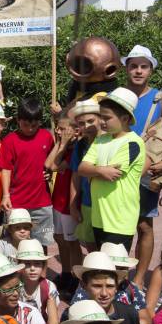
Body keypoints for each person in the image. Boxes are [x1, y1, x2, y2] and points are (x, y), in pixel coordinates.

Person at [122, 45, 162, 287]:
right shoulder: (117, 96)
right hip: (118, 170)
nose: (138, 71)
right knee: (119, 226)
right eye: (134, 66)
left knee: (144, 225)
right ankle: (119, 276)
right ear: (126, 69)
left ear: (151, 70)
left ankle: (140, 279)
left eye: (144, 66)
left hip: (145, 174)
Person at [78, 88, 145, 250]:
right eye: (101, 117)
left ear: (125, 118)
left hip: (119, 220)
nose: (102, 122)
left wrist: (94, 170)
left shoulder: (132, 143)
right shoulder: (101, 139)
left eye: (107, 118)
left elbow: (113, 174)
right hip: (99, 217)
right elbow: (82, 168)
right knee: (102, 270)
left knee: (117, 270)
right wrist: (100, 171)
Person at [0, 98, 55, 247]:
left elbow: (53, 161)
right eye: (25, 125)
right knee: (14, 245)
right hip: (16, 202)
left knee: (41, 246)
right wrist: (5, 195)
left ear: (40, 122)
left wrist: (50, 172)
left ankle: (41, 271)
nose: (29, 129)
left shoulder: (47, 137)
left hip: (42, 203)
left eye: (34, 125)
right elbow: (6, 169)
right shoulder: (10, 140)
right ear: (18, 120)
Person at [45, 111, 80, 291]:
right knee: (60, 239)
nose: (58, 131)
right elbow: (47, 163)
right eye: (57, 128)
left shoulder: (75, 150)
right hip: (57, 200)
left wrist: (63, 143)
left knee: (72, 243)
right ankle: (66, 273)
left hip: (69, 203)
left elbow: (53, 166)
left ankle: (77, 278)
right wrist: (60, 143)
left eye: (62, 129)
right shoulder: (64, 147)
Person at [69, 99, 102, 252]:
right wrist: (73, 205)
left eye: (91, 121)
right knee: (91, 245)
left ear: (100, 119)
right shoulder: (80, 145)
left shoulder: (109, 142)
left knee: (109, 247)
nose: (87, 126)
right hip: (87, 203)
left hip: (106, 204)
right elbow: (75, 176)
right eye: (82, 123)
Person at [16, 239, 59, 324]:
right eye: (27, 264)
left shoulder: (49, 287)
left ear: (43, 266)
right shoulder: (14, 285)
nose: (32, 268)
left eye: (37, 264)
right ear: (19, 265)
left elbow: (53, 321)